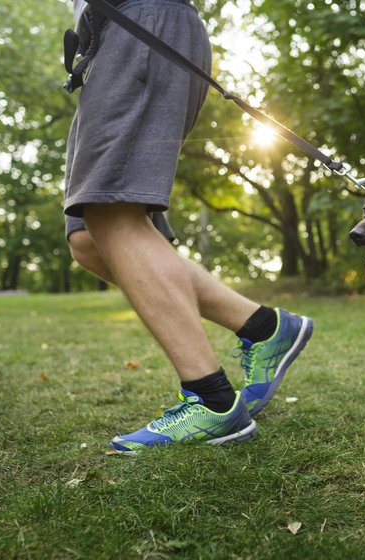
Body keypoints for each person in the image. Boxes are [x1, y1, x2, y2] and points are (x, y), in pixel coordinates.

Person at [62, 0, 313, 453]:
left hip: (137, 19)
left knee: (111, 211)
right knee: (87, 236)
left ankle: (211, 399)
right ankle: (262, 327)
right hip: (110, 36)